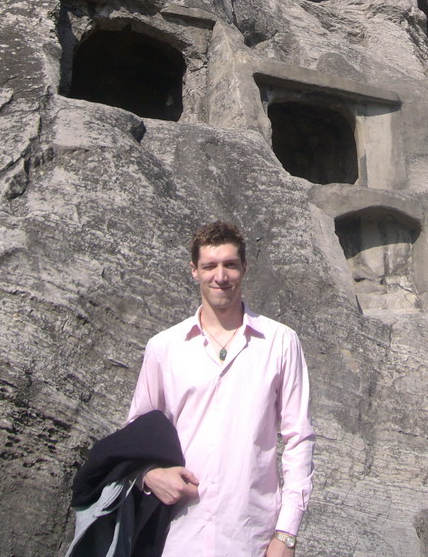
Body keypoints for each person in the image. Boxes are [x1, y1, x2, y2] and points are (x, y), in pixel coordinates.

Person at [128, 220, 314, 557]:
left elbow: (299, 439)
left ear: (244, 268)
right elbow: (134, 433)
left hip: (251, 535)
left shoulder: (281, 342)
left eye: (229, 264)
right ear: (194, 271)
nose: (220, 276)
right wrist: (149, 474)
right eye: (209, 266)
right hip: (178, 534)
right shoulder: (164, 347)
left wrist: (287, 533)